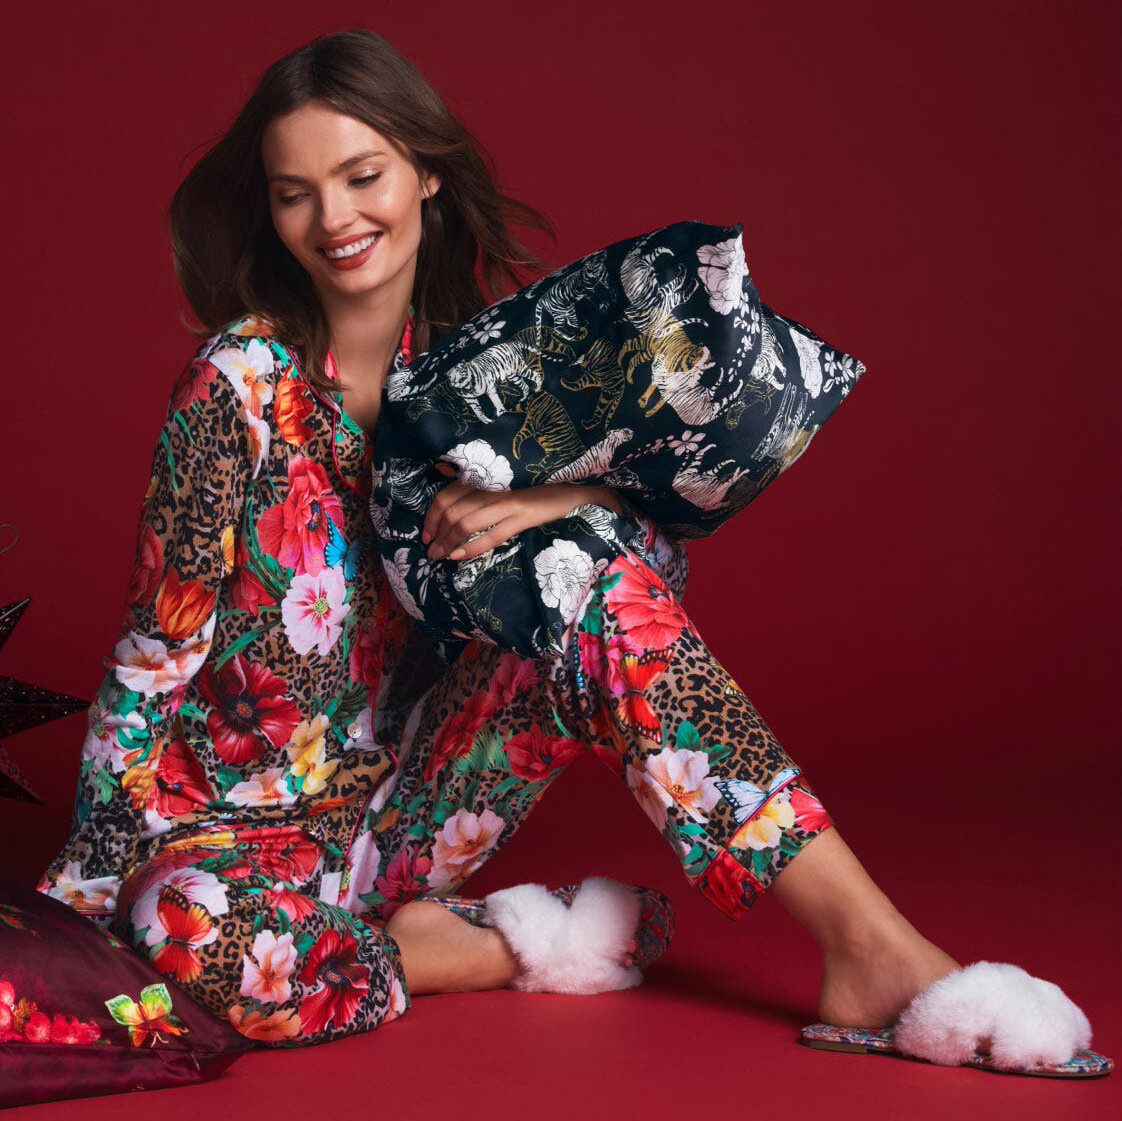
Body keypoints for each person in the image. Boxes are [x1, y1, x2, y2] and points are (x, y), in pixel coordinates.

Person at [36, 28, 1107, 1076]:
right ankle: (479, 948)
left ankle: (871, 946)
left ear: (426, 176)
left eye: (363, 176)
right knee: (186, 936)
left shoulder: (479, 376)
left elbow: (645, 572)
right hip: (220, 847)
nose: (335, 218)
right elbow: (151, 657)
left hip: (403, 816)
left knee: (586, 573)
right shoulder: (234, 388)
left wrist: (558, 495)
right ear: (270, 212)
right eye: (295, 193)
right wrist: (83, 896)